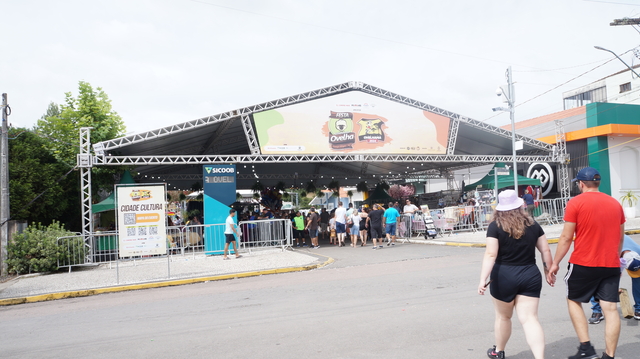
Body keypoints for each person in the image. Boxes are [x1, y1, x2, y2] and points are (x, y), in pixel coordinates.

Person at [546, 167, 625, 359]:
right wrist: (615, 259)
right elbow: (621, 237)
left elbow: (566, 237)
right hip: (610, 263)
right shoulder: (615, 204)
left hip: (584, 262)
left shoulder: (575, 203)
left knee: (573, 299)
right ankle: (609, 355)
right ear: (598, 183)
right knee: (611, 308)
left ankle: (586, 349)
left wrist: (555, 263)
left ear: (581, 184)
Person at [478, 190, 553, 359]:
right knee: (530, 319)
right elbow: (545, 250)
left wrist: (482, 279)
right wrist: (548, 270)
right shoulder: (533, 225)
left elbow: (491, 254)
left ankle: (499, 351)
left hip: (503, 275)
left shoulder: (494, 227)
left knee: (503, 317)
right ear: (520, 206)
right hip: (530, 274)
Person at [589, 235, 640, 323]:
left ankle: (639, 309)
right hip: (599, 255)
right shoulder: (609, 251)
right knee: (595, 280)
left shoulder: (638, 251)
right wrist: (613, 288)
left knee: (638, 281)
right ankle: (597, 311)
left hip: (622, 254)